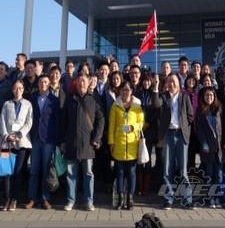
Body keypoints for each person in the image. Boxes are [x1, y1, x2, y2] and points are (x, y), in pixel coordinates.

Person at [61, 73, 105, 211]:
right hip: (71, 143)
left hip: (88, 143)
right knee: (70, 174)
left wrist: (97, 138)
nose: (82, 84)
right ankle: (70, 201)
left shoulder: (94, 99)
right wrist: (63, 141)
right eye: (79, 81)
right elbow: (63, 121)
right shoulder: (70, 99)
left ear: (88, 83)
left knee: (88, 174)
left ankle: (89, 202)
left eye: (84, 81)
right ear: (76, 83)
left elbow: (101, 120)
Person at [151, 74, 194, 210]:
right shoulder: (164, 96)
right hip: (168, 135)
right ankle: (168, 199)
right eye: (169, 81)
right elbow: (156, 104)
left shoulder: (185, 97)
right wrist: (156, 87)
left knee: (183, 169)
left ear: (179, 84)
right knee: (167, 169)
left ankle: (187, 199)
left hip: (181, 135)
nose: (172, 84)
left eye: (174, 81)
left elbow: (191, 115)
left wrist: (184, 127)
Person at [24, 74, 61, 210]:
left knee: (46, 170)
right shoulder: (32, 98)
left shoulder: (54, 100)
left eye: (45, 82)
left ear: (49, 84)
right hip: (35, 138)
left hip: (48, 139)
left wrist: (56, 140)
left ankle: (45, 198)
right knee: (34, 170)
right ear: (38, 84)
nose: (43, 84)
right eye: (41, 82)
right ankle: (32, 198)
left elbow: (57, 121)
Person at [0, 79, 33, 211]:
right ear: (12, 90)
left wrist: (19, 135)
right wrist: (6, 135)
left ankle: (14, 199)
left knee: (18, 172)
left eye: (20, 88)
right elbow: (1, 121)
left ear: (23, 90)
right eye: (15, 88)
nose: (18, 91)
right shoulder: (7, 104)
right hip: (6, 143)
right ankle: (6, 199)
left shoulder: (28, 104)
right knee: (6, 172)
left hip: (22, 142)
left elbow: (29, 122)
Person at [108, 82, 144, 210]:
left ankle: (130, 199)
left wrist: (133, 127)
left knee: (132, 173)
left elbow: (141, 122)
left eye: (127, 90)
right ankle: (120, 199)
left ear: (131, 91)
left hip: (133, 144)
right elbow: (111, 125)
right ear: (120, 91)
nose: (125, 92)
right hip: (119, 144)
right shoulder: (115, 105)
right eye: (123, 90)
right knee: (120, 173)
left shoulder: (137, 106)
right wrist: (111, 142)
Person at [194, 87, 223, 208]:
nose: (209, 97)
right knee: (210, 174)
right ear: (203, 97)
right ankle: (211, 199)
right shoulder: (200, 112)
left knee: (219, 175)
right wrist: (204, 144)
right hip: (207, 149)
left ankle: (218, 198)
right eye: (207, 95)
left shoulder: (218, 110)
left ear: (214, 97)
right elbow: (199, 131)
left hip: (219, 148)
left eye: (211, 95)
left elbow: (222, 127)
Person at [135, 73, 161, 195]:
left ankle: (146, 187)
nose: (146, 83)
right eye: (144, 81)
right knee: (139, 159)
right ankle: (139, 187)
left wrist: (148, 122)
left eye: (148, 81)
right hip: (138, 129)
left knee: (148, 158)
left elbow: (156, 110)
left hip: (150, 130)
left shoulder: (153, 94)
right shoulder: (137, 94)